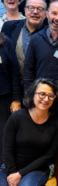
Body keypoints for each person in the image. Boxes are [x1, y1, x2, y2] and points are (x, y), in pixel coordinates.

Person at [0, 78, 58, 186]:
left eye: (51, 96)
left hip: (37, 169)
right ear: (33, 94)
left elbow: (49, 156)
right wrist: (13, 177)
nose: (46, 99)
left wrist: (20, 175)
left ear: (55, 99)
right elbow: (7, 150)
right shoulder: (17, 117)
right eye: (42, 94)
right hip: (10, 169)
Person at [1, 0, 47, 77]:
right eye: (31, 8)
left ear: (45, 14)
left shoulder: (50, 34)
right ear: (25, 11)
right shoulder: (8, 26)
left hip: (38, 86)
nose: (35, 12)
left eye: (40, 9)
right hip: (12, 85)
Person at [0, 33, 22, 166]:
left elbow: (15, 72)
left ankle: (4, 173)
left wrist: (16, 99)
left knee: (4, 140)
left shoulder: (5, 42)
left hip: (4, 99)